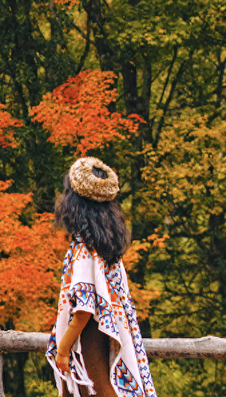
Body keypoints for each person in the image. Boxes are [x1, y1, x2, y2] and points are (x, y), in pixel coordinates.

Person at [46, 157, 156, 397]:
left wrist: (63, 349)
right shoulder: (107, 247)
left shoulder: (84, 249)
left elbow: (84, 307)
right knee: (95, 387)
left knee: (97, 387)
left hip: (90, 329)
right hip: (108, 324)